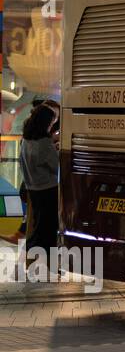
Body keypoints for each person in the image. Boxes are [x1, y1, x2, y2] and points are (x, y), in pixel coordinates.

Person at [7, 101, 60, 261]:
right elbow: (55, 166)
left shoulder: (26, 141)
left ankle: (31, 257)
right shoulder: (44, 143)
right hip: (48, 189)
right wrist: (56, 148)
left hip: (33, 188)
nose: (52, 126)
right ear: (45, 122)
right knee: (48, 228)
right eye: (51, 122)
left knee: (37, 227)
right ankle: (44, 261)